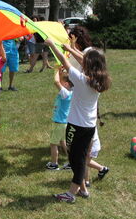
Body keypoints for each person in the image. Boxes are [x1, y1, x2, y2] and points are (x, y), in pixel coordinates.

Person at [45, 38, 111, 203]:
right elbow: (84, 61)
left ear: (88, 65)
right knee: (80, 156)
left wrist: (52, 45)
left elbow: (64, 60)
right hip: (89, 126)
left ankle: (71, 194)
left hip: (76, 126)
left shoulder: (82, 80)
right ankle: (83, 189)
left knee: (76, 160)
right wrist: (69, 47)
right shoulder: (97, 80)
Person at [46, 67, 73, 170]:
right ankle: (71, 162)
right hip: (65, 123)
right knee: (63, 142)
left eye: (62, 82)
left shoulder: (65, 94)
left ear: (66, 84)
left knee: (53, 144)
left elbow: (56, 82)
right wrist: (62, 73)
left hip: (59, 123)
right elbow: (60, 81)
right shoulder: (70, 92)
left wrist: (56, 70)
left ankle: (54, 164)